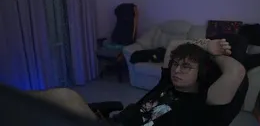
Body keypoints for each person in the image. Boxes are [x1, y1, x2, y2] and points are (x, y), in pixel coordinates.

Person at [21, 39, 245, 126]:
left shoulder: (205, 102)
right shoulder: (167, 83)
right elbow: (173, 45)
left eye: (186, 67)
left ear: (202, 72)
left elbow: (236, 71)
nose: (177, 70)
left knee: (63, 99)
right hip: (114, 122)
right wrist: (205, 44)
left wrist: (211, 54)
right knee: (57, 100)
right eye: (176, 64)